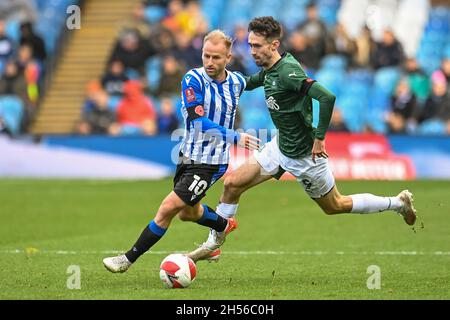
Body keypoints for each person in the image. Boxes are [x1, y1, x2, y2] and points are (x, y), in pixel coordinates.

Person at [187, 16, 417, 262]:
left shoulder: (288, 73)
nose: (252, 51)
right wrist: (216, 74)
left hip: (305, 156)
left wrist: (320, 138)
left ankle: (398, 203)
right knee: (232, 184)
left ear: (274, 45)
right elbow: (245, 83)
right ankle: (214, 243)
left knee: (334, 206)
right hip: (279, 146)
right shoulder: (270, 70)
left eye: (257, 46)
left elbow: (327, 97)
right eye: (250, 45)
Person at [103, 29, 260, 273]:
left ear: (228, 58)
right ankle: (222, 224)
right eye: (206, 55)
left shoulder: (237, 82)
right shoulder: (193, 79)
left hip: (211, 163)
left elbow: (265, 78)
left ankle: (127, 259)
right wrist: (236, 136)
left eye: (216, 57)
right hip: (188, 156)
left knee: (167, 208)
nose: (209, 62)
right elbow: (198, 123)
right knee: (188, 213)